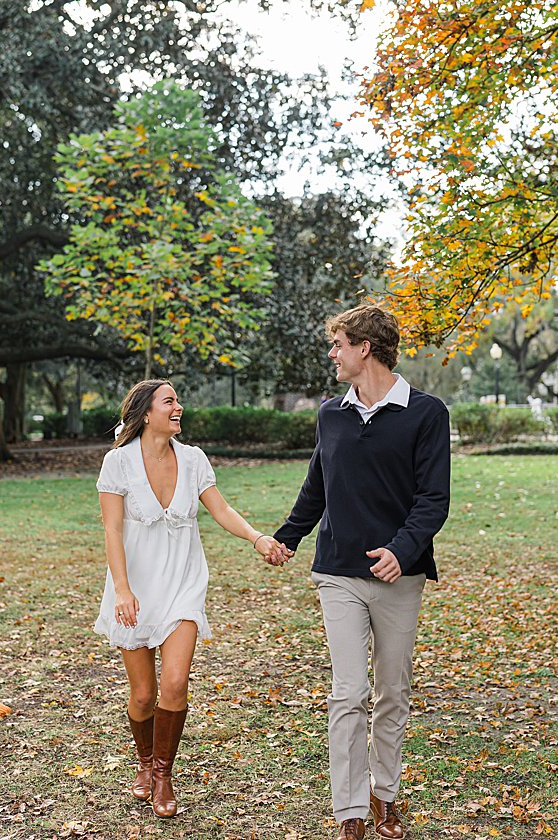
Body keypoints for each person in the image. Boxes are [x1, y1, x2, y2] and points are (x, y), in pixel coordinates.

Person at [269, 304, 450, 840]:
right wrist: (287, 537)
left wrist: (402, 550)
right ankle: (350, 810)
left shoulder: (426, 413)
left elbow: (433, 499)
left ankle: (384, 796)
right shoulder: (331, 414)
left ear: (364, 348)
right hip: (339, 572)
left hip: (400, 576)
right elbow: (317, 487)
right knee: (349, 693)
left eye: (339, 344)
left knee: (392, 691)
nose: (333, 354)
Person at [95, 379, 291, 819]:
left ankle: (163, 774)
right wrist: (122, 589)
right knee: (143, 694)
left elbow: (221, 509)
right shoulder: (118, 462)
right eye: (170, 401)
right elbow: (112, 530)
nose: (179, 407)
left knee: (176, 683)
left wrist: (257, 537)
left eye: (178, 400)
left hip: (184, 583)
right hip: (135, 588)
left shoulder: (194, 459)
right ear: (147, 413)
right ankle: (145, 761)